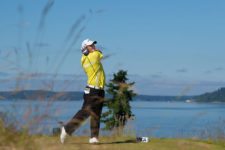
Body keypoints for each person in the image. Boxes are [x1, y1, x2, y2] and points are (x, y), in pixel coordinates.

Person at [60, 39, 106, 144]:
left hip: (98, 89)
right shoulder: (94, 56)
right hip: (93, 90)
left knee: (96, 114)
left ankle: (93, 137)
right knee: (86, 111)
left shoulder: (83, 59)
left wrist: (92, 50)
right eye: (91, 45)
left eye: (94, 45)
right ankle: (67, 129)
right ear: (85, 48)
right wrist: (97, 50)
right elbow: (100, 53)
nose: (93, 46)